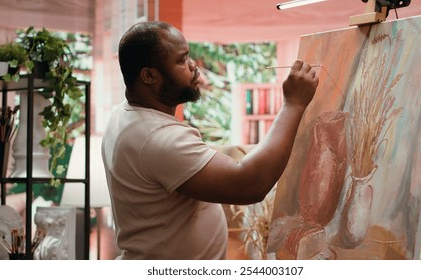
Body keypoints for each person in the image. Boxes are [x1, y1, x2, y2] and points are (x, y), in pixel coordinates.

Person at [101, 21, 319, 260]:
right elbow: (249, 184)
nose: (194, 66)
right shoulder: (157, 137)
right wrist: (293, 104)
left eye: (189, 55)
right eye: (182, 60)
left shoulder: (123, 115)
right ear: (149, 75)